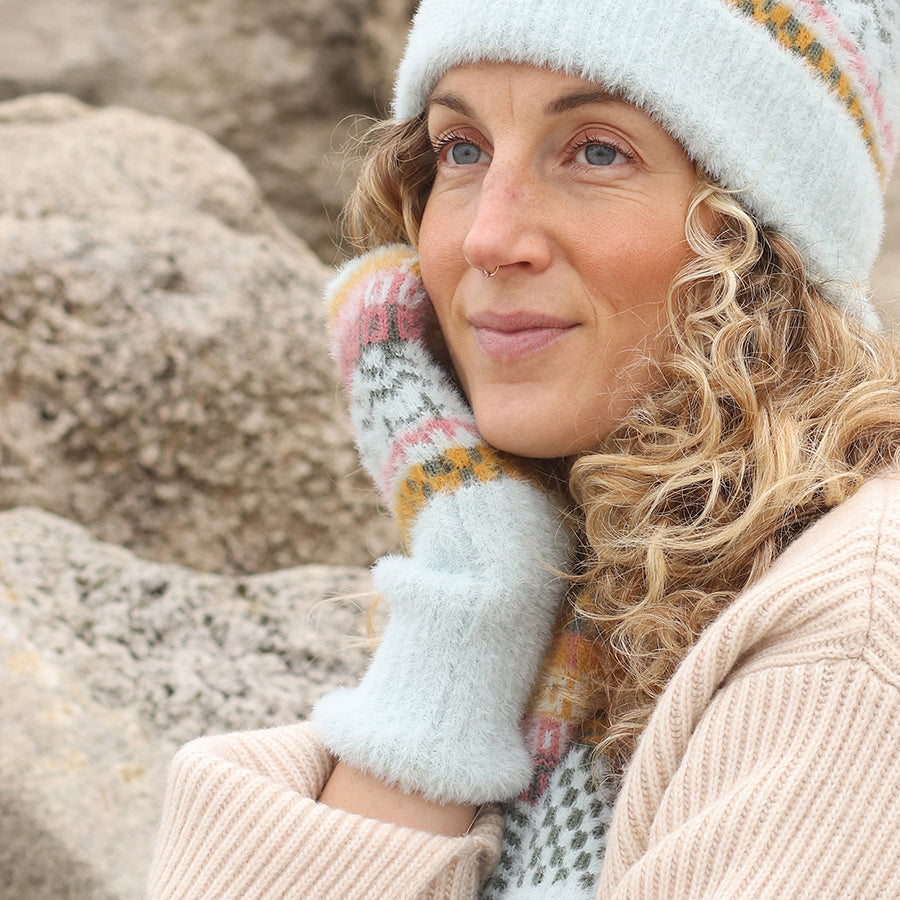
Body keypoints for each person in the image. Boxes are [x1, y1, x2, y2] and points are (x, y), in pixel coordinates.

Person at [147, 1, 900, 897]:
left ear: (765, 241)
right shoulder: (593, 591)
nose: (487, 238)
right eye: (461, 150)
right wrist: (475, 585)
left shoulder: (851, 631)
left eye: (596, 151)